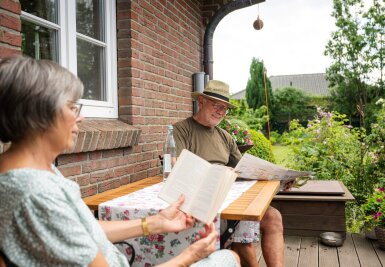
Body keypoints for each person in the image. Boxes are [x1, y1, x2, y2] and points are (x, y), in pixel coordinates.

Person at [0, 56, 240, 267]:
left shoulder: (37, 169)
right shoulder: (36, 194)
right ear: (39, 113)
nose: (81, 117)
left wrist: (154, 223)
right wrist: (189, 257)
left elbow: (84, 229)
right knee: (229, 257)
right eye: (73, 107)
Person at [173, 80, 285, 267]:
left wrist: (279, 178)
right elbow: (177, 166)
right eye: (216, 105)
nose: (220, 111)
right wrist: (218, 171)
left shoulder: (225, 136)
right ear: (201, 101)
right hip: (203, 198)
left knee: (273, 217)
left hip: (230, 193)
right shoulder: (182, 130)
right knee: (243, 233)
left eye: (224, 108)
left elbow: (244, 167)